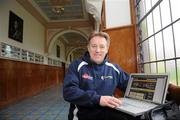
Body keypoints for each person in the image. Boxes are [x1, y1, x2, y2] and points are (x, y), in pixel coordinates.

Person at [63, 31, 139, 120]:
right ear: (88, 48)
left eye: (102, 46)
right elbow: (68, 92)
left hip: (108, 115)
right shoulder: (77, 65)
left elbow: (131, 86)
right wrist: (98, 99)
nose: (97, 50)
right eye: (94, 46)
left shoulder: (114, 69)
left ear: (107, 49)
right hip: (81, 117)